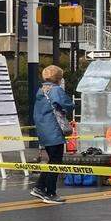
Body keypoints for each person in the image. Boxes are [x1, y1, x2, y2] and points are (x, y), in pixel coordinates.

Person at [31, 65, 73, 204]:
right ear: (59, 78)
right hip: (53, 130)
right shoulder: (56, 90)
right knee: (56, 162)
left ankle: (39, 187)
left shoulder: (41, 90)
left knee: (52, 160)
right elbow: (68, 104)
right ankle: (50, 192)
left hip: (43, 129)